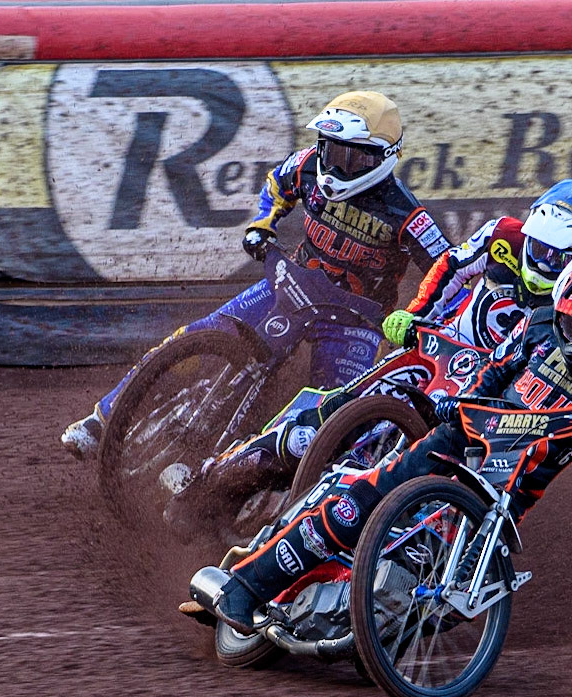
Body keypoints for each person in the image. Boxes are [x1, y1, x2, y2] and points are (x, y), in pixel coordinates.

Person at [188, 246, 572, 635]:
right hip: (460, 440)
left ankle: (365, 634)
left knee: (441, 592)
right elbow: (494, 372)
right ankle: (245, 587)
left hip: (504, 493)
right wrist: (460, 400)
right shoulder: (537, 328)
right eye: (570, 324)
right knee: (358, 502)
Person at [161, 180, 572, 509]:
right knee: (327, 416)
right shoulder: (503, 235)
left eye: (559, 256)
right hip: (434, 349)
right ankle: (210, 481)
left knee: (440, 474)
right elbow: (452, 267)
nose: (544, 261)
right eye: (539, 247)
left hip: (487, 391)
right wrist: (414, 315)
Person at [60, 90, 450, 459]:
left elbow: (447, 268)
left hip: (354, 321)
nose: (334, 166)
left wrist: (416, 315)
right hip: (293, 285)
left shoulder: (407, 215)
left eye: (351, 158)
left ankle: (248, 484)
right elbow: (277, 184)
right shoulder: (307, 165)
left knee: (334, 416)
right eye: (330, 150)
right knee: (199, 334)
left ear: (383, 157)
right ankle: (103, 419)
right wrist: (263, 224)